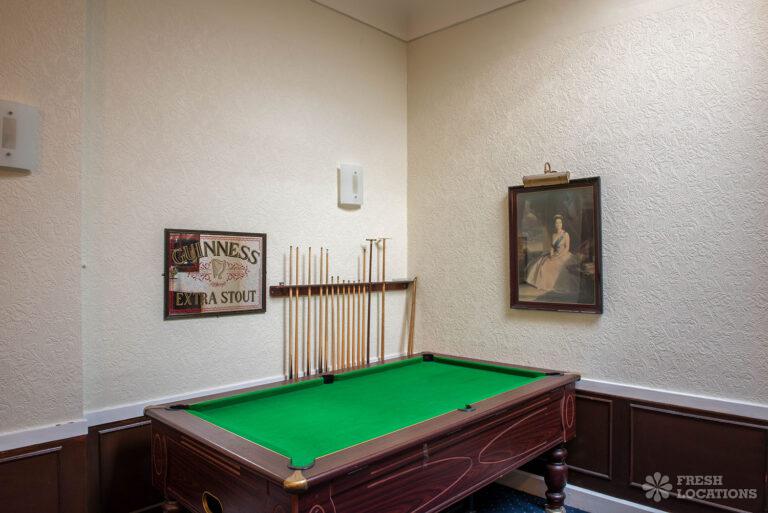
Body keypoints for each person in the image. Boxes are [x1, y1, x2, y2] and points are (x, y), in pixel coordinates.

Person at [525, 214, 576, 292]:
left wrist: (559, 256)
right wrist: (552, 255)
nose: (558, 224)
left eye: (560, 222)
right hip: (555, 254)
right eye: (556, 223)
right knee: (544, 263)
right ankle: (546, 284)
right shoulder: (554, 235)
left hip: (563, 254)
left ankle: (554, 285)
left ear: (562, 224)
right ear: (555, 224)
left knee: (557, 266)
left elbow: (567, 248)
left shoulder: (566, 234)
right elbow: (552, 247)